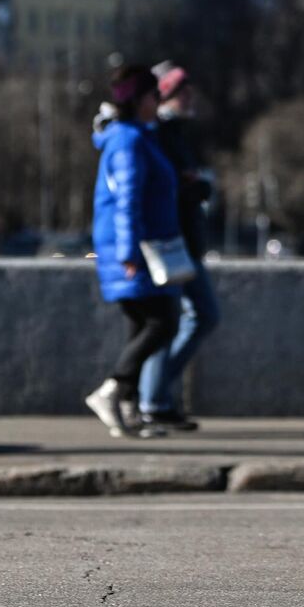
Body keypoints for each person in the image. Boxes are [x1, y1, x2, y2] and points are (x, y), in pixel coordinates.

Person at [83, 65, 185, 439]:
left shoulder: (137, 136)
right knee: (163, 321)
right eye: (155, 96)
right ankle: (112, 390)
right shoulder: (128, 141)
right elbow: (127, 201)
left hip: (140, 245)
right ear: (142, 100)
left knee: (142, 324)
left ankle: (127, 409)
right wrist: (128, 252)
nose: (159, 102)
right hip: (135, 248)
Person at [135, 61, 220, 431]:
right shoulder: (159, 134)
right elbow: (160, 186)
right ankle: (151, 398)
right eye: (182, 91)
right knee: (184, 318)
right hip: (171, 241)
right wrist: (193, 188)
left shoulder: (174, 134)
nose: (190, 97)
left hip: (183, 240)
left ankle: (155, 397)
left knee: (183, 319)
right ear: (166, 95)